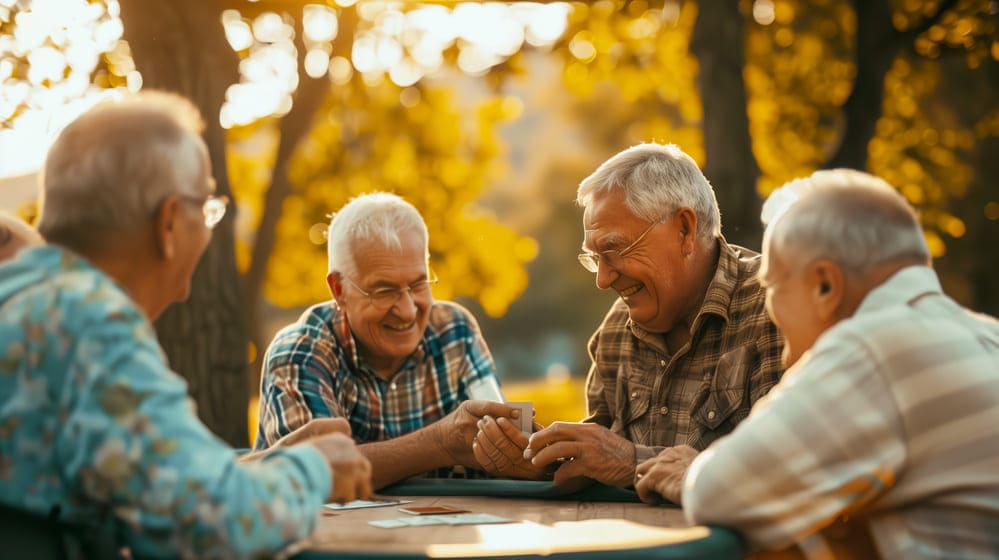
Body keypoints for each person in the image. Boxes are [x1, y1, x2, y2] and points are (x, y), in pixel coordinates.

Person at [0, 91, 372, 558]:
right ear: (170, 222)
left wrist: (264, 466)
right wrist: (314, 469)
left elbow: (146, 487)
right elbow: (207, 526)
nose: (210, 225)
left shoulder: (22, 297)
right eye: (207, 207)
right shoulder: (89, 324)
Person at [644, 169, 999, 557]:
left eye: (770, 286)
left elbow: (719, 492)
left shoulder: (875, 345)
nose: (769, 308)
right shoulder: (984, 335)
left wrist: (691, 472)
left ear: (825, 286)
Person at [473, 142, 784, 489]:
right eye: (594, 258)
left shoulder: (778, 304)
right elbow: (594, 465)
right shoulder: (617, 329)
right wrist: (541, 462)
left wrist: (630, 463)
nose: (603, 280)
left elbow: (790, 470)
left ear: (684, 230)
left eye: (615, 250)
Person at [255, 192, 523, 489]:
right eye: (383, 291)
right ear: (339, 290)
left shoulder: (454, 330)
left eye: (419, 284)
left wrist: (522, 448)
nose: (407, 309)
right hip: (334, 536)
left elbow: (501, 451)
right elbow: (317, 473)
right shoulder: (301, 351)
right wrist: (442, 443)